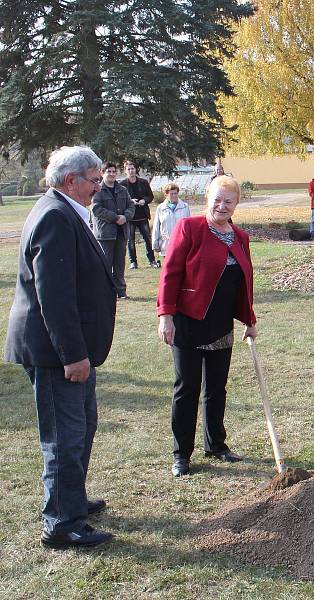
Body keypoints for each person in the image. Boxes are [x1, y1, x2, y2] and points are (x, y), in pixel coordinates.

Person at [3, 146, 117, 549]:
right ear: (71, 180)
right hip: (57, 353)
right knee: (64, 436)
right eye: (93, 179)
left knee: (82, 427)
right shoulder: (54, 215)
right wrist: (73, 355)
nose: (98, 186)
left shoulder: (65, 209)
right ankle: (61, 523)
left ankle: (72, 499)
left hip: (71, 347)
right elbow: (54, 295)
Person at [157, 176, 257, 478]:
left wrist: (249, 320)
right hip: (188, 323)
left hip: (221, 325)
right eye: (217, 199)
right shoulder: (190, 228)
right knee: (186, 389)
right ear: (206, 198)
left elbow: (244, 284)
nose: (222, 206)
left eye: (229, 201)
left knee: (216, 389)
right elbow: (170, 273)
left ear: (236, 204)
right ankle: (181, 455)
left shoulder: (240, 236)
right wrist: (166, 315)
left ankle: (216, 444)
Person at [91, 162, 135, 299]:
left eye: (113, 171)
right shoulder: (97, 190)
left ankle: (121, 292)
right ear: (102, 173)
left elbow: (131, 206)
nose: (111, 174)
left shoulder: (122, 189)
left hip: (121, 232)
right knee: (105, 264)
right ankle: (104, 292)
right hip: (105, 234)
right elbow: (96, 209)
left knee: (119, 265)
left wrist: (125, 217)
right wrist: (115, 218)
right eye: (108, 171)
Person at [120, 160, 158, 268]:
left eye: (133, 168)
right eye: (129, 169)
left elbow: (150, 196)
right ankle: (133, 262)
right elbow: (120, 200)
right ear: (125, 171)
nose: (131, 171)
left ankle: (152, 260)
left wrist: (144, 201)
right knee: (130, 240)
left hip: (143, 215)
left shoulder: (144, 182)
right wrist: (130, 201)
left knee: (147, 238)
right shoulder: (122, 185)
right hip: (130, 217)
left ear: (136, 169)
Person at [152, 182, 191, 258]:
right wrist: (155, 243)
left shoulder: (185, 207)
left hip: (181, 243)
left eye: (175, 193)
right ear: (166, 195)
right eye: (171, 194)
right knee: (168, 268)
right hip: (166, 244)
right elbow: (156, 227)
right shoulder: (160, 208)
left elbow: (189, 226)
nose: (174, 196)